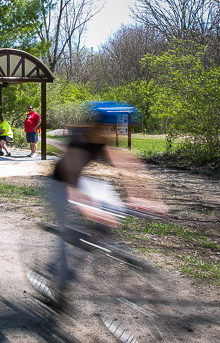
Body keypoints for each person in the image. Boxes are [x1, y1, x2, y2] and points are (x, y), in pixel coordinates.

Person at [28, 101, 166, 310]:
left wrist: (145, 198)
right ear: (98, 125)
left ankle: (94, 243)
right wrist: (87, 209)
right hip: (60, 185)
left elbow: (127, 165)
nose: (110, 133)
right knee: (71, 234)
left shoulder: (100, 140)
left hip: (80, 183)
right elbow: (70, 178)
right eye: (108, 129)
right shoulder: (79, 140)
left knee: (108, 213)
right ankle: (59, 284)